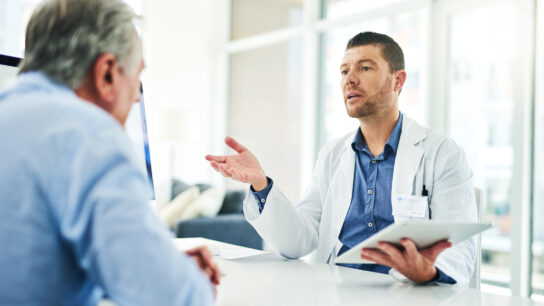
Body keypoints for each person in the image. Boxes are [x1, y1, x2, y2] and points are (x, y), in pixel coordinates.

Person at [206, 32, 477, 286]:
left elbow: (460, 252)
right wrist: (260, 184)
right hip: (335, 291)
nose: (350, 79)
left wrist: (428, 271)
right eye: (344, 71)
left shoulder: (442, 154)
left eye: (365, 68)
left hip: (408, 293)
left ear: (398, 80)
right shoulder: (333, 155)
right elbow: (299, 241)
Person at [0, 0, 219, 305]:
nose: (137, 98)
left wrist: (155, 259)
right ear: (106, 74)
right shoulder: (90, 135)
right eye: (136, 76)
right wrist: (187, 278)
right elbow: (172, 297)